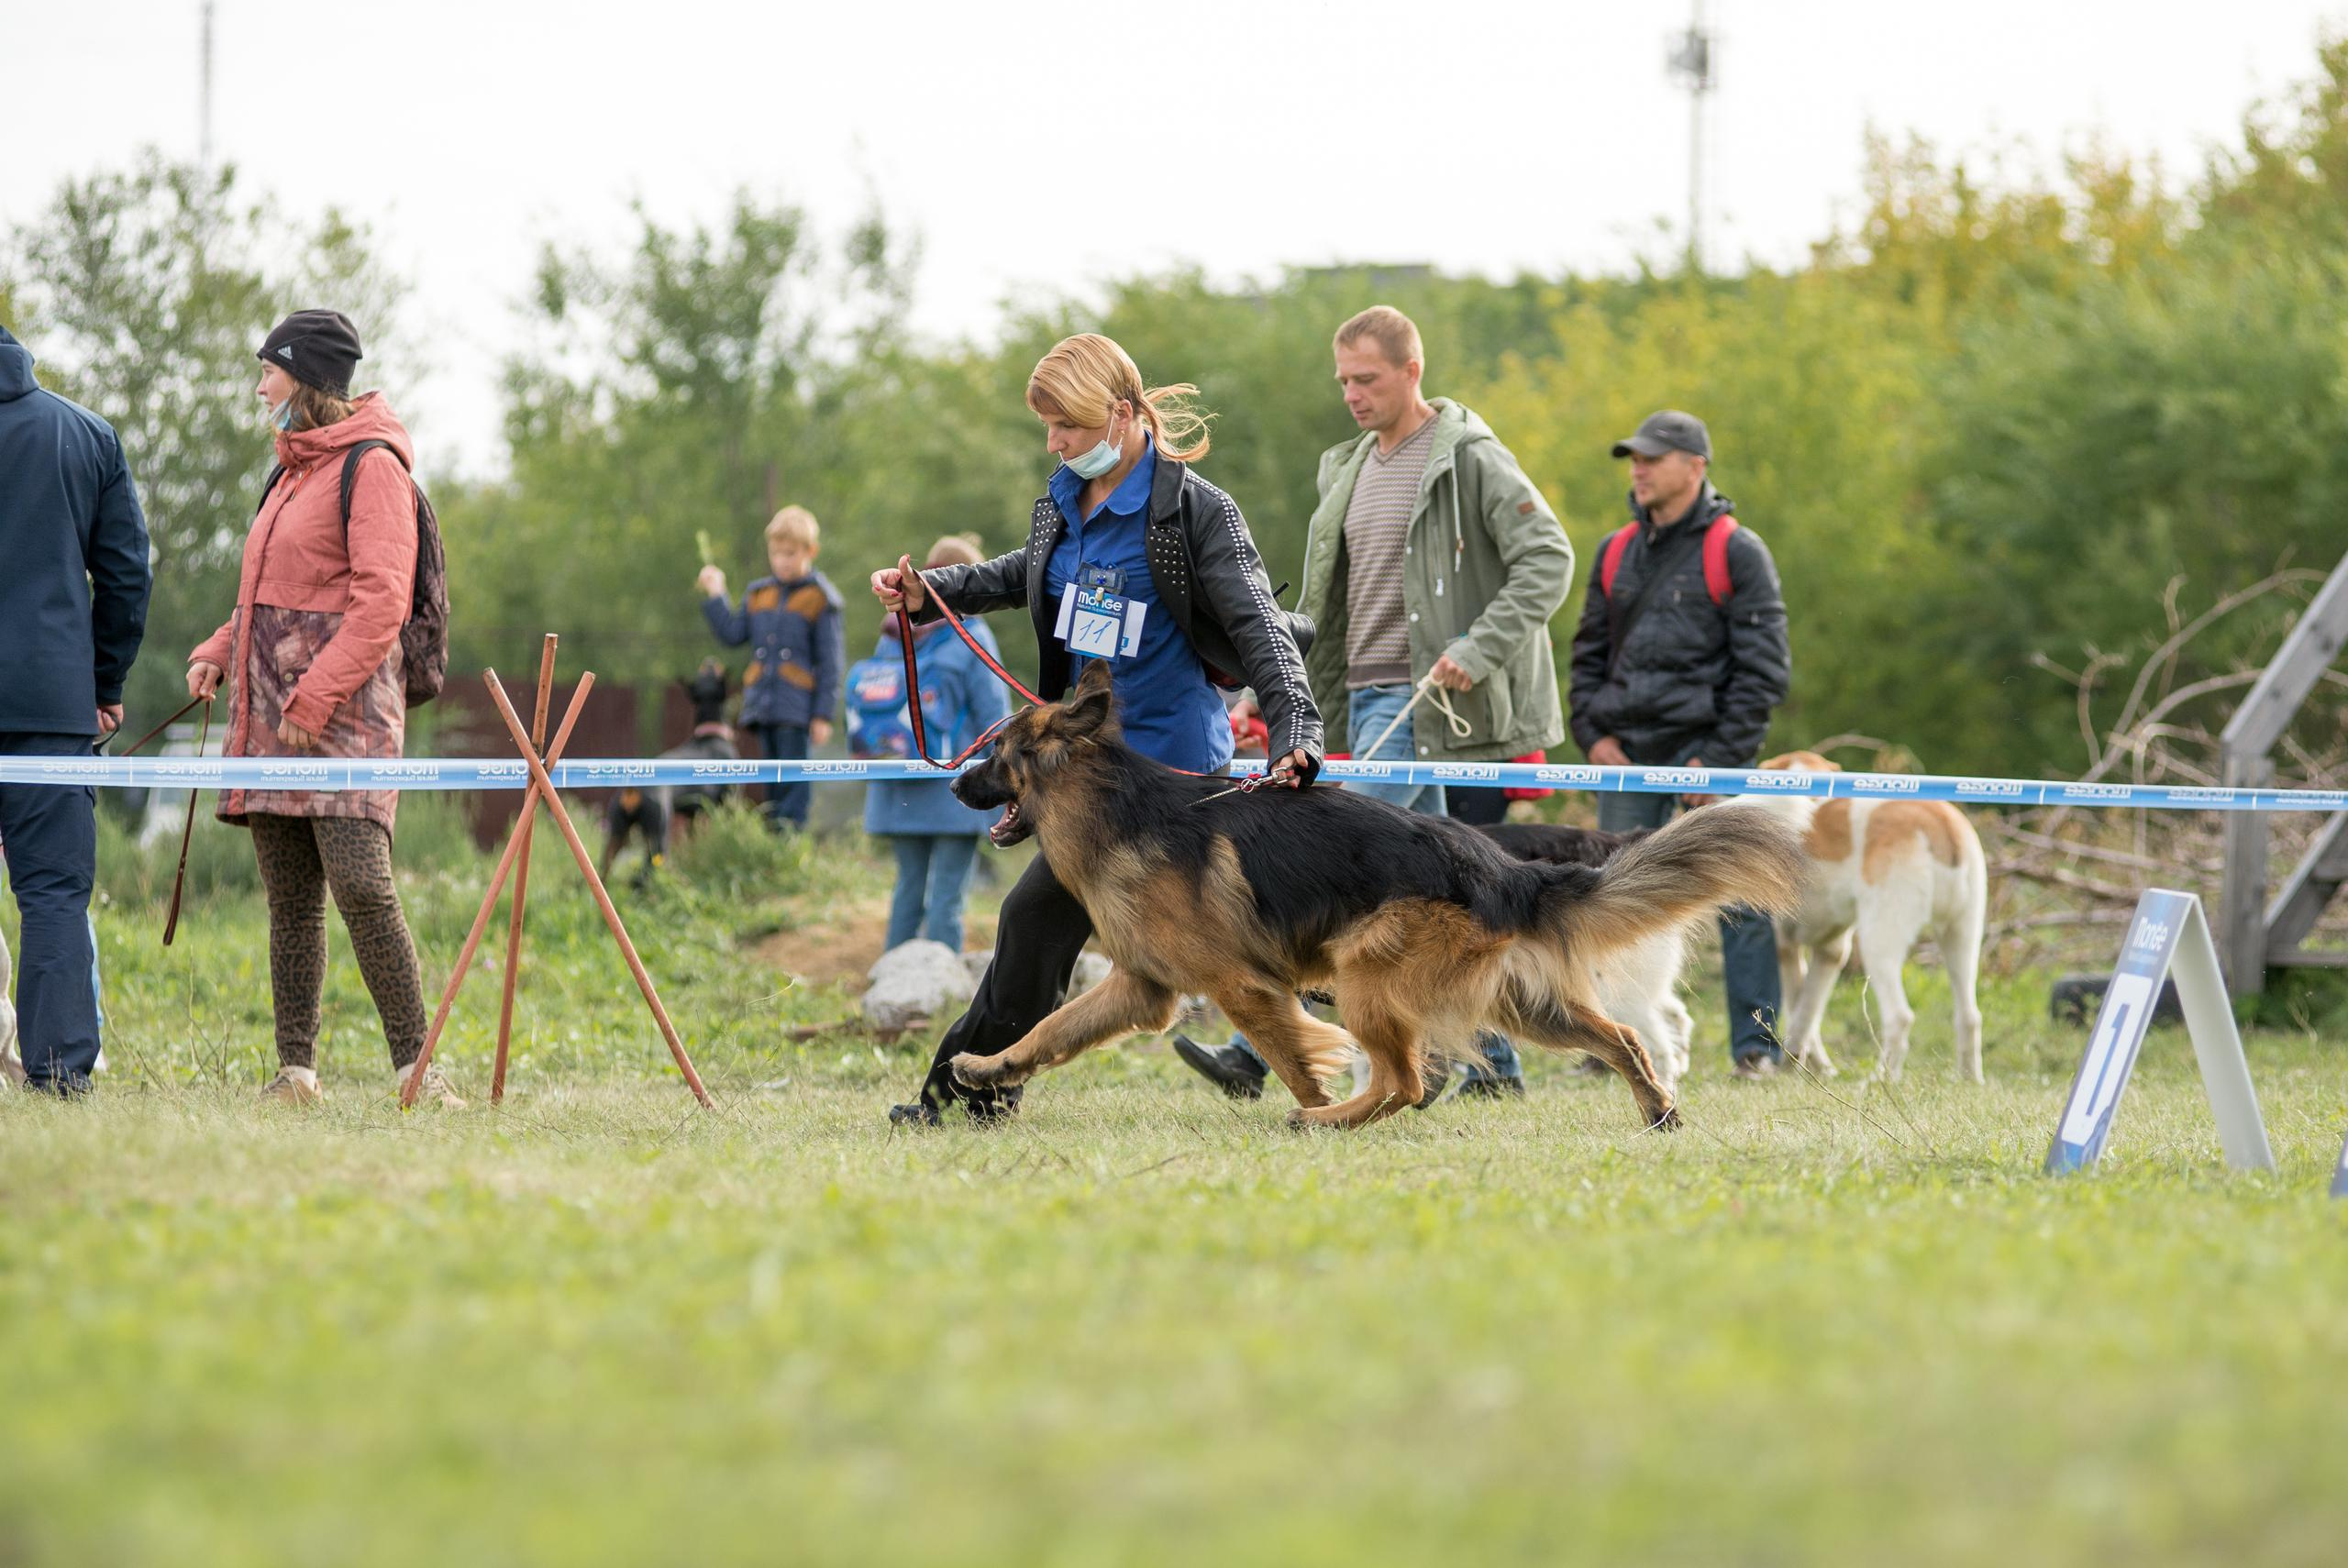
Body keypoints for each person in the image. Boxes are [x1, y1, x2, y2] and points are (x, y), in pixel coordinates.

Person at [870, 333, 1321, 1126]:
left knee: (1274, 951)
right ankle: (965, 1099)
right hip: (1083, 778)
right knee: (1038, 925)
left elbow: (1262, 628)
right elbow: (1022, 574)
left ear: (1121, 413)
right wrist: (929, 591)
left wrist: (1298, 729)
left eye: (1068, 427)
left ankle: (960, 1099)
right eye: (1046, 428)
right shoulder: (1062, 503)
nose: (1055, 444)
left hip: (1175, 787)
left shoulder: (1195, 511)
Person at [1175, 305, 1571, 1103]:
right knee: (1435, 890)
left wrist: (1476, 648)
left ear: (1411, 370)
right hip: (1360, 700)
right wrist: (1273, 694)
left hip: (1430, 703)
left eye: (1368, 378)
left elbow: (1549, 559)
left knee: (1345, 878)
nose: (1352, 394)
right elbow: (1319, 597)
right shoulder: (1344, 468)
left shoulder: (1473, 460)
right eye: (1344, 380)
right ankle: (1497, 1069)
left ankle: (1258, 1055)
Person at [186, 309, 455, 1107]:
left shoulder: (371, 467)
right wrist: (218, 650)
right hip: (270, 718)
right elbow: (267, 597)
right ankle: (296, 1072)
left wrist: (315, 696)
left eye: (269, 368)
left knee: (364, 887)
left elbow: (380, 604)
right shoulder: (288, 471)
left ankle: (418, 1069)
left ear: (304, 376)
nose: (260, 383)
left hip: (340, 718)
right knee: (292, 903)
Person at [1568, 409, 1791, 1077]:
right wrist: (1593, 735)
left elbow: (1764, 670)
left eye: (1652, 457)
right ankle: (1609, 1047)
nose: (1638, 469)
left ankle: (1757, 1049)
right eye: (1633, 458)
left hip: (1709, 755)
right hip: (1626, 760)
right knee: (1613, 903)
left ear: (1695, 466)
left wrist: (1719, 759)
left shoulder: (1737, 550)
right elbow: (1586, 656)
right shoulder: (1613, 551)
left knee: (1744, 904)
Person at [0, 323, 151, 1096]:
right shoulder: (85, 436)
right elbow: (126, 574)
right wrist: (104, 682)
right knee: (53, 896)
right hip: (48, 708)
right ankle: (59, 1075)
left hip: (53, 706)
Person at [859, 534, 1011, 955]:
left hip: (899, 786)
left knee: (907, 889)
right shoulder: (972, 633)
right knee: (947, 896)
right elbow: (995, 715)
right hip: (955, 789)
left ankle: (893, 980)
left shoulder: (893, 633)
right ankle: (939, 991)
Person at [699, 506, 845, 832]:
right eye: (776, 553)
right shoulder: (759, 594)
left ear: (811, 551)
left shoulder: (820, 599)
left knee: (794, 778)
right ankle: (773, 840)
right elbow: (733, 634)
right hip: (763, 703)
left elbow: (831, 662)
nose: (782, 561)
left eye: (790, 554)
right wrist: (716, 594)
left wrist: (822, 715)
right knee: (771, 779)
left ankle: (790, 840)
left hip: (797, 707)